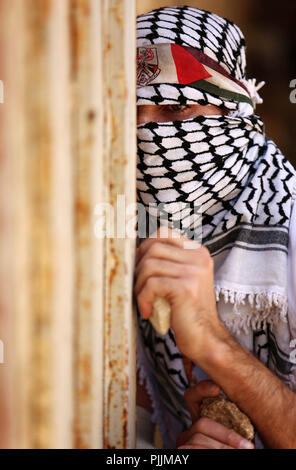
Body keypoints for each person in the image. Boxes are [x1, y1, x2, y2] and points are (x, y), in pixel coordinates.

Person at [134, 6, 296, 449]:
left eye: (175, 109)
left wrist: (211, 341)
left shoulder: (288, 221)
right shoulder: (123, 238)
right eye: (133, 116)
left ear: (232, 109)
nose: (148, 136)